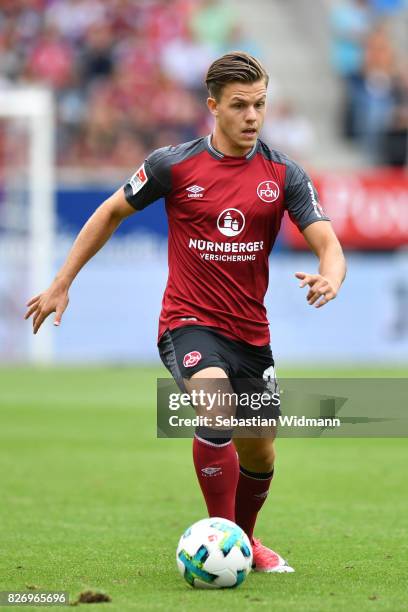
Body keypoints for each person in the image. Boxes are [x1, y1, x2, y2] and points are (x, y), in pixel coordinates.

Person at [25, 52, 346, 573]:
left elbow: (328, 244)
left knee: (261, 452)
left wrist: (331, 275)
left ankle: (245, 538)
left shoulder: (283, 174)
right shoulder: (172, 165)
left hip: (251, 335)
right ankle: (224, 545)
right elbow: (110, 211)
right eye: (240, 105)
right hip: (188, 322)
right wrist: (62, 282)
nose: (252, 116)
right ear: (213, 106)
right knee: (215, 408)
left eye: (260, 104)